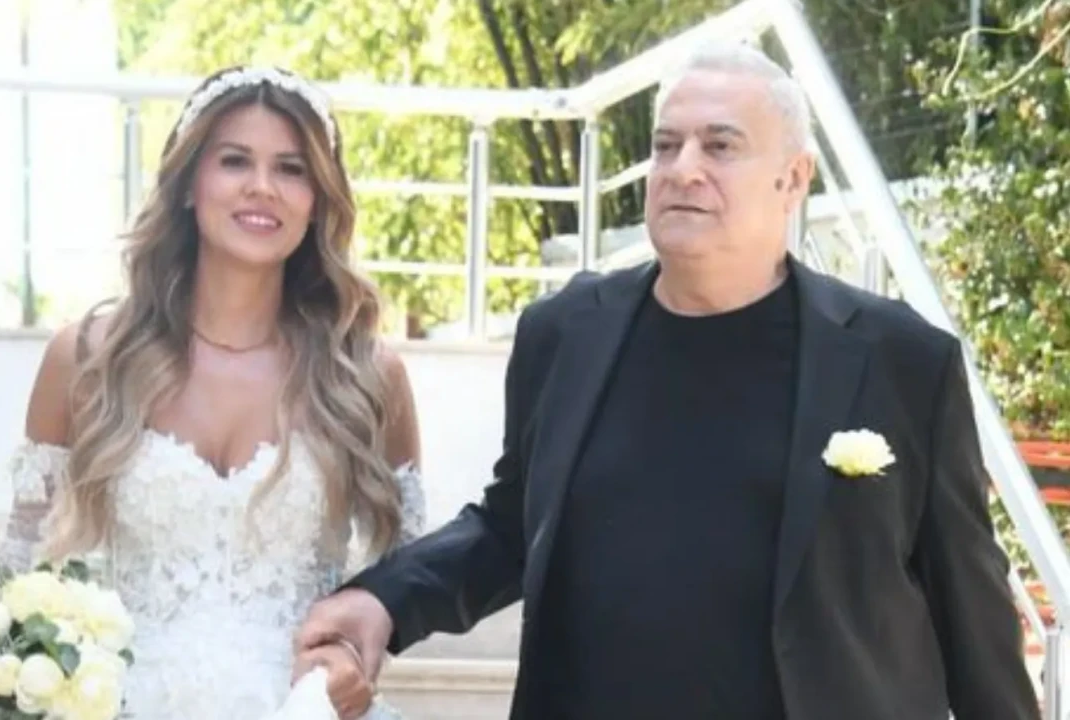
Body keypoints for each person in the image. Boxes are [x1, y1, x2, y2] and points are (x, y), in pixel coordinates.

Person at [295, 43, 1040, 720]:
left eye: (720, 146)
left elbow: (971, 611)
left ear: (792, 179)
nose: (683, 168)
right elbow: (510, 527)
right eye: (665, 145)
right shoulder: (564, 335)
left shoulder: (901, 361)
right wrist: (385, 600)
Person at [0, 65, 425, 720]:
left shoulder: (366, 374)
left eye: (291, 169)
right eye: (235, 161)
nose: (262, 187)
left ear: (318, 199)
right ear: (187, 185)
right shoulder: (87, 358)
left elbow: (400, 581)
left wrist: (348, 655)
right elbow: (21, 564)